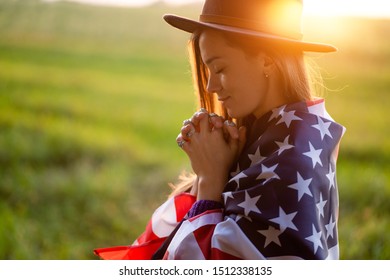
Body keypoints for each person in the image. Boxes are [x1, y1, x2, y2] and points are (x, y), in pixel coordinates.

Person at [94, 0, 345, 260]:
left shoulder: (291, 160)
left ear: (268, 60)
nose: (211, 86)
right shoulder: (285, 134)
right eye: (208, 70)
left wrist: (211, 181)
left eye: (220, 68)